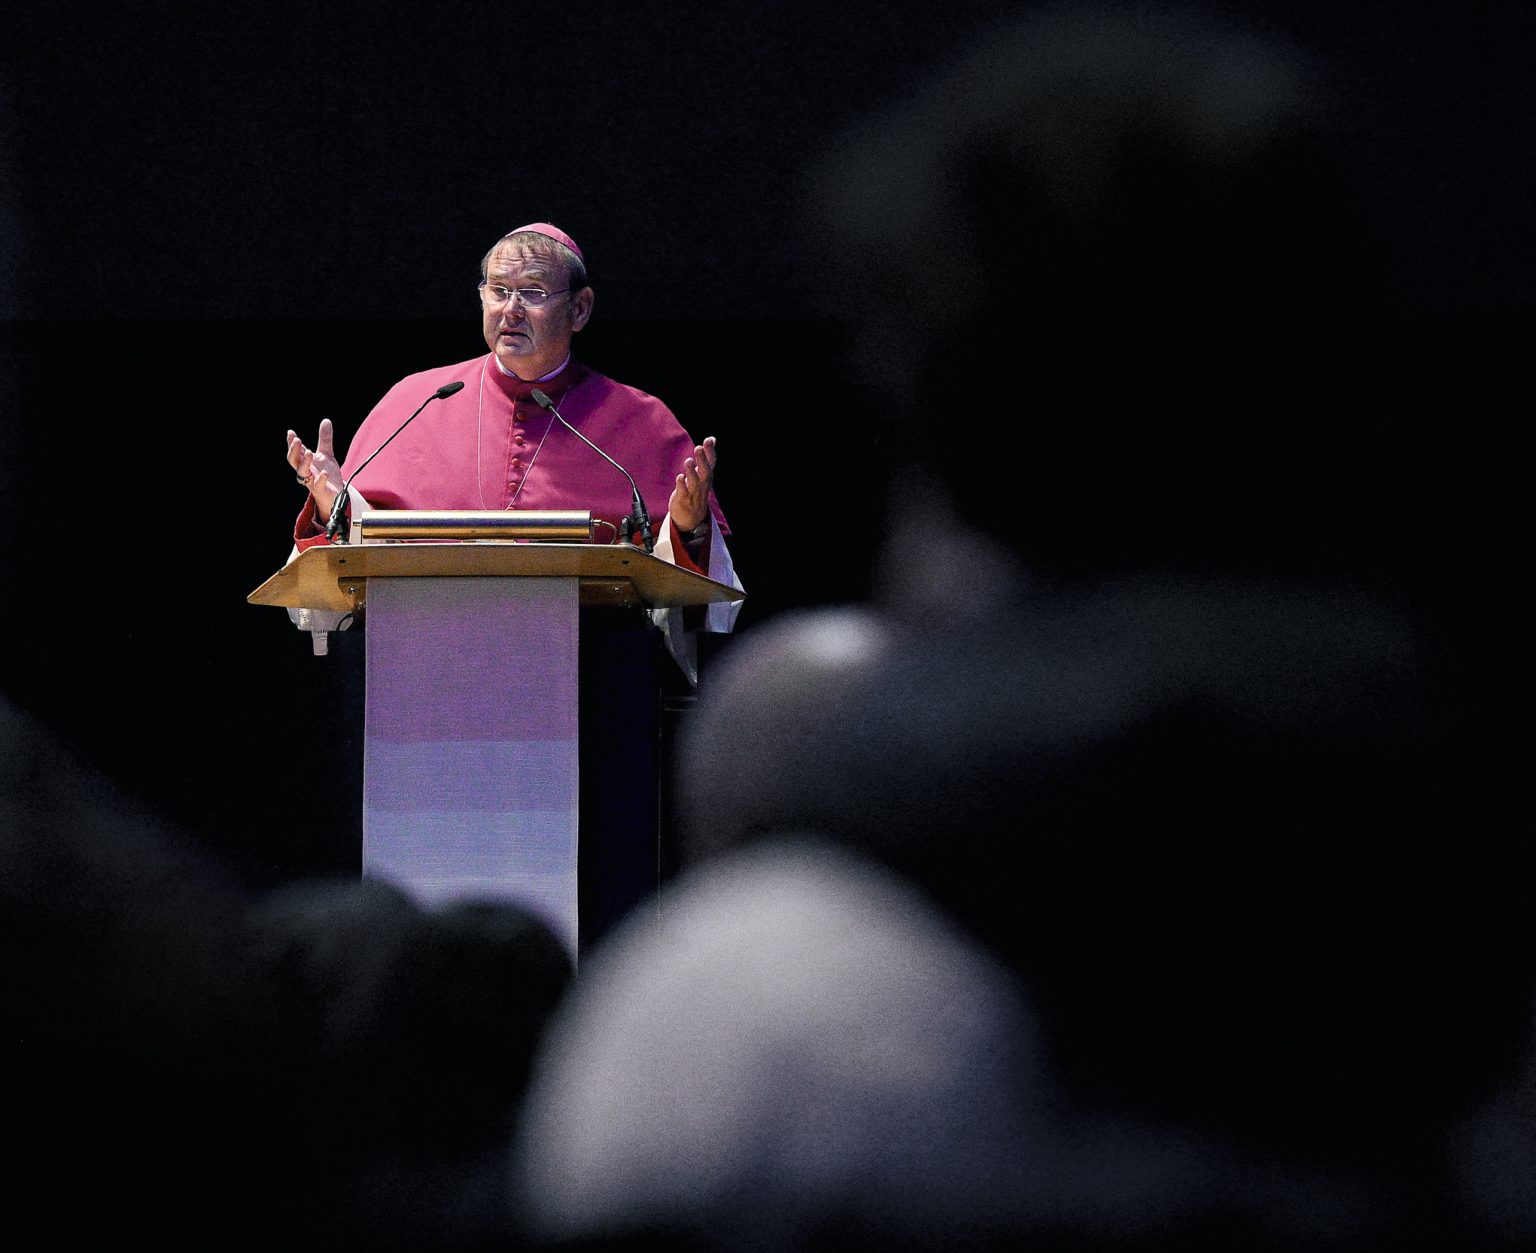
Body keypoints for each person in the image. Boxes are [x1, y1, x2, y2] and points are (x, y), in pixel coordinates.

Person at [282, 220, 743, 675]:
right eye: (498, 291)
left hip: (591, 673)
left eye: (533, 292)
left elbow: (688, 591)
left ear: (580, 309)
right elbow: (352, 567)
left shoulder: (641, 420)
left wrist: (687, 528)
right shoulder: (415, 400)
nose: (511, 310)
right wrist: (333, 505)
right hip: (419, 668)